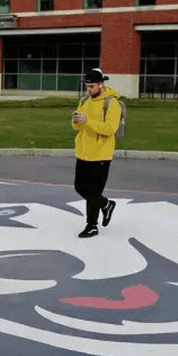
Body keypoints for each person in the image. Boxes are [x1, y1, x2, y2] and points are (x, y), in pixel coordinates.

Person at [71, 68, 121, 238]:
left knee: (93, 191)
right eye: (87, 87)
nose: (89, 90)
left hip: (101, 154)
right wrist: (76, 121)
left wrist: (88, 120)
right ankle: (106, 205)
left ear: (101, 85)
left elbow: (110, 129)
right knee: (79, 187)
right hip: (83, 152)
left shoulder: (112, 104)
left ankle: (91, 225)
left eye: (92, 86)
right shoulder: (85, 100)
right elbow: (77, 127)